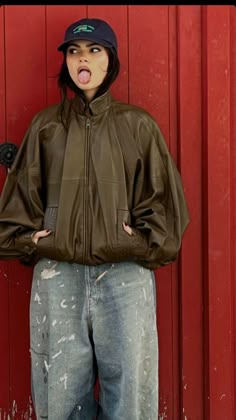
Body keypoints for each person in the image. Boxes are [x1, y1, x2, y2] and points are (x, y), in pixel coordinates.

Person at [0, 17, 189, 420]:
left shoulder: (138, 126)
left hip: (126, 277)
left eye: (93, 51)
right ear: (67, 62)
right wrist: (32, 241)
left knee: (132, 400)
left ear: (110, 62)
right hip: (58, 276)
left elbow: (168, 210)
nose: (82, 59)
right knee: (61, 401)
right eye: (74, 52)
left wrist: (137, 243)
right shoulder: (46, 126)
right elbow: (14, 211)